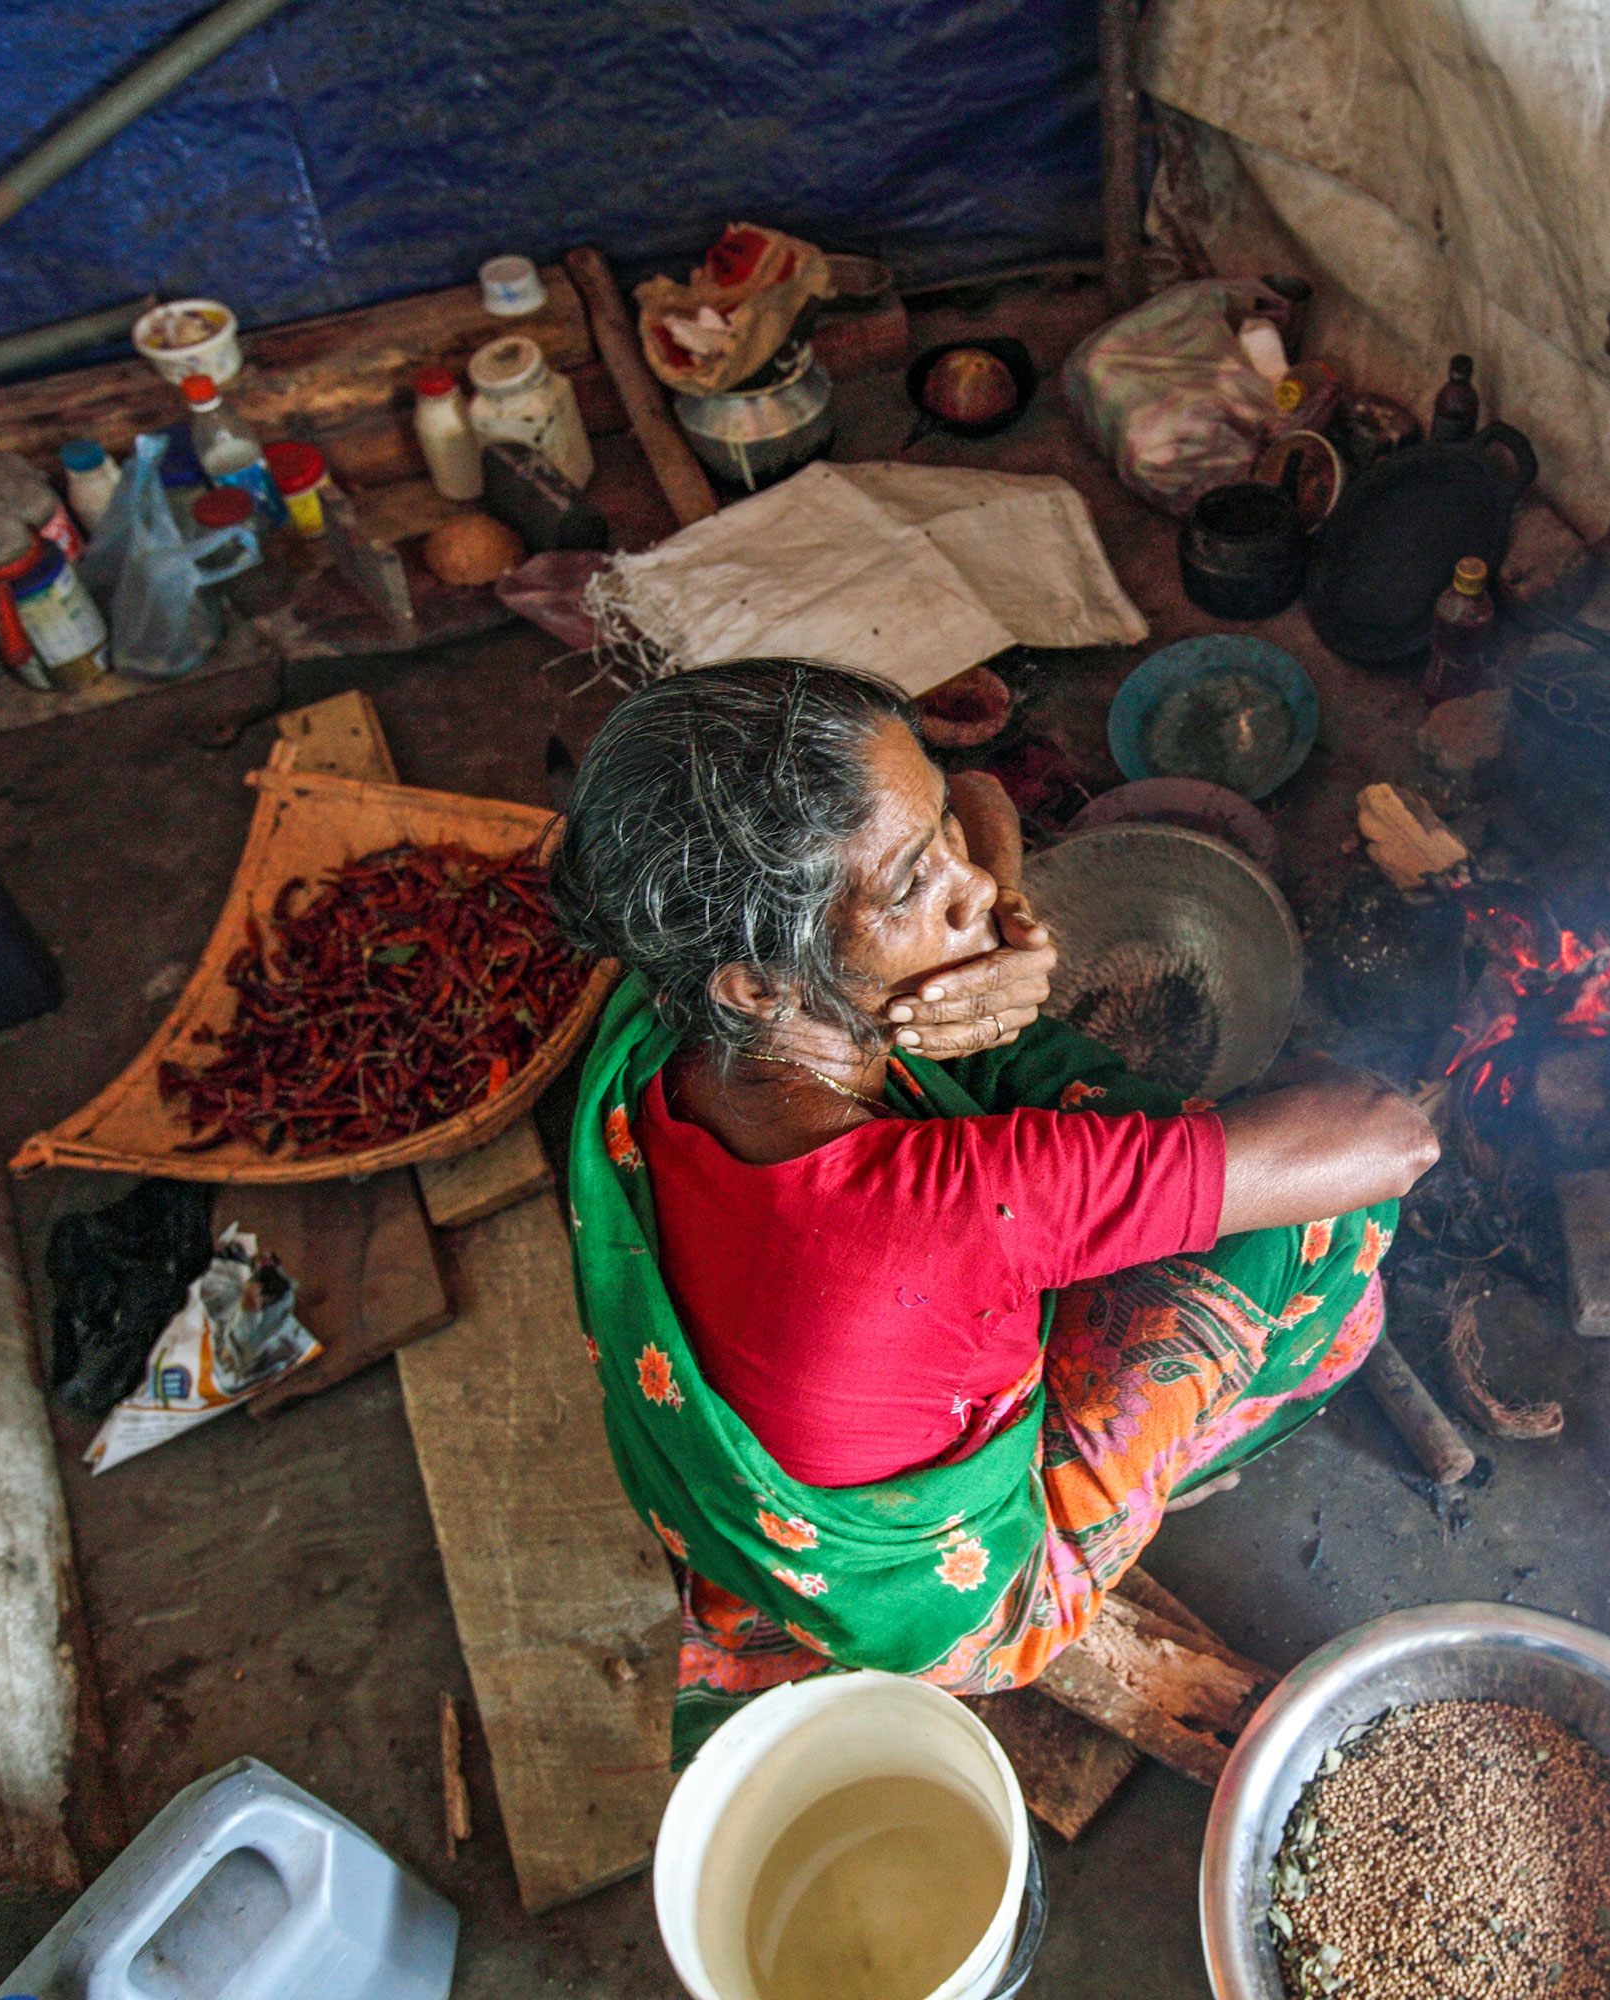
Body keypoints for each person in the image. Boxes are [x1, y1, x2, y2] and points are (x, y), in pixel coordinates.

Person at [552, 660, 1437, 1760]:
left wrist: (1001, 904)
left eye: (936, 844)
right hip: (978, 1601)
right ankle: (1156, 1483)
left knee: (1040, 1062)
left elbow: (978, 797)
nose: (966, 880)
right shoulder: (949, 1206)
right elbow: (1393, 1134)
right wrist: (1010, 963)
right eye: (915, 883)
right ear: (755, 982)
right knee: (1321, 1221)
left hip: (758, 1499)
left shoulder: (668, 1005)